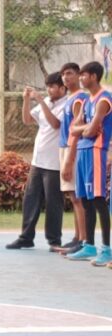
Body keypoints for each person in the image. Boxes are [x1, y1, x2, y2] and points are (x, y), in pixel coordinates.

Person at [6, 72, 67, 250]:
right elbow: (27, 120)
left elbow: (55, 124)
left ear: (62, 88)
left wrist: (40, 100)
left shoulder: (66, 104)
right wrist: (26, 100)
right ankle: (26, 237)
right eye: (47, 86)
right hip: (38, 161)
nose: (49, 90)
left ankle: (54, 240)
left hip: (54, 163)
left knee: (53, 202)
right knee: (30, 199)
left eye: (52, 86)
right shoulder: (46, 102)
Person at [66, 62, 112, 266]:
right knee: (84, 199)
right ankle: (89, 245)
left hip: (95, 151)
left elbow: (91, 131)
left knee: (98, 200)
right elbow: (74, 128)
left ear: (93, 76)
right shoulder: (87, 101)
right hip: (83, 152)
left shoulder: (104, 99)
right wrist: (85, 128)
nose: (80, 78)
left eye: (83, 75)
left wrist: (84, 128)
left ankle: (107, 249)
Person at [56, 63, 89, 255]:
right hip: (65, 148)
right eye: (63, 74)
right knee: (73, 196)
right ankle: (77, 237)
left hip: (72, 149)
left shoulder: (80, 99)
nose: (65, 78)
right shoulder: (70, 98)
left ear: (79, 76)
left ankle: (84, 240)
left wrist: (69, 159)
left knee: (78, 197)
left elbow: (77, 131)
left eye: (69, 73)